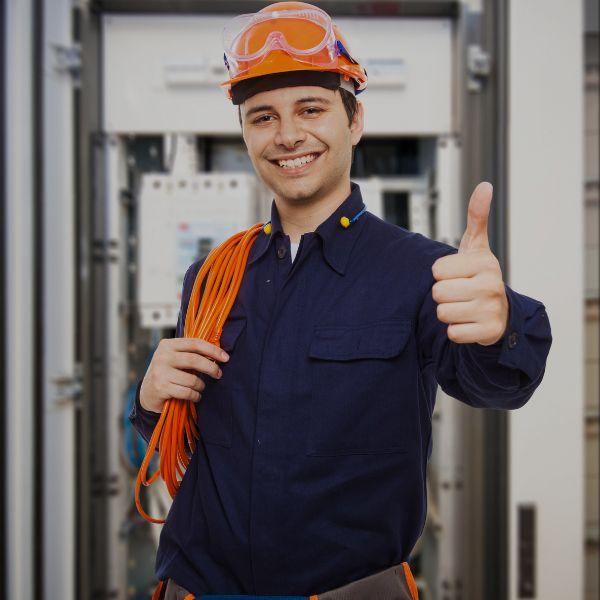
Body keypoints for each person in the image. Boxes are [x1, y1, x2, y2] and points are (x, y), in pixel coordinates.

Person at [129, 3, 552, 599]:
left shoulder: (422, 272)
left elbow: (502, 384)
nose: (288, 135)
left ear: (354, 121)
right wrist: (147, 400)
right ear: (247, 134)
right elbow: (163, 450)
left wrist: (501, 324)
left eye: (311, 108)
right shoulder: (211, 276)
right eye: (262, 117)